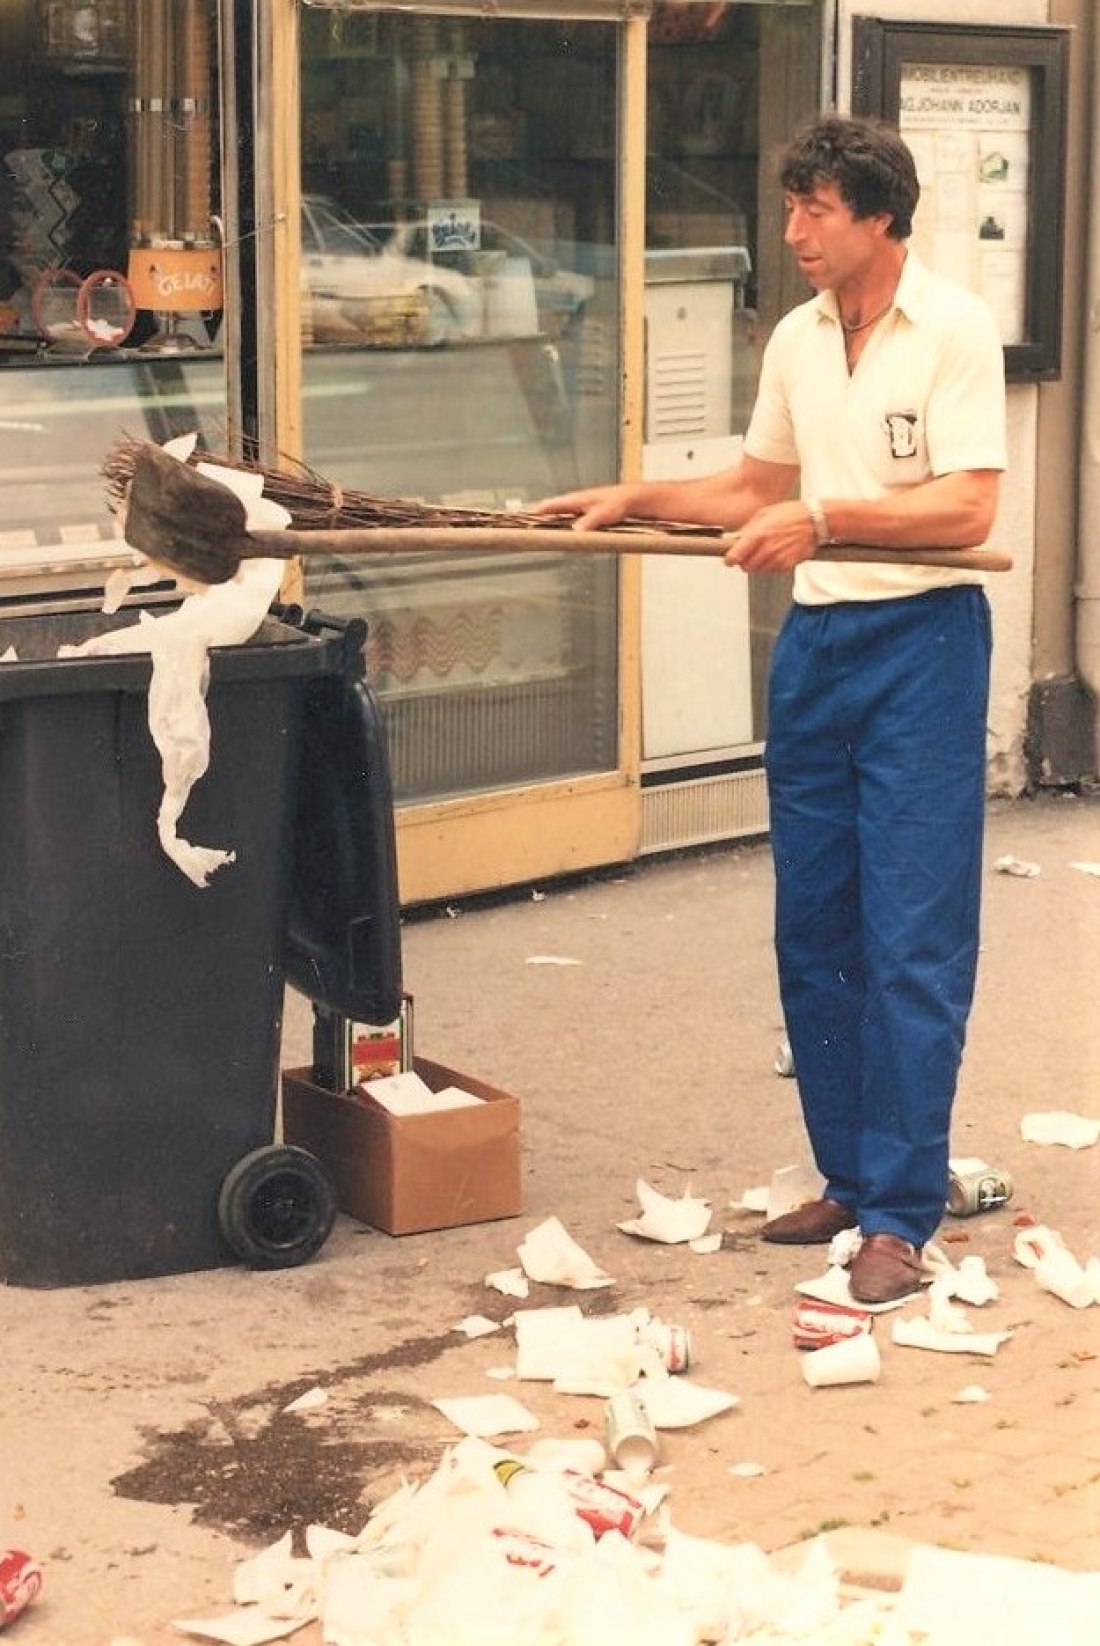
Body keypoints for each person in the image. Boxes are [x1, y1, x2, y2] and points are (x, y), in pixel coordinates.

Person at [535, 113, 1007, 1303]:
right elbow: (753, 487)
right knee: (815, 929)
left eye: (815, 210)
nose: (792, 229)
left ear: (878, 219)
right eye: (789, 205)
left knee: (910, 937)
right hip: (816, 648)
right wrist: (633, 494)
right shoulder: (797, 337)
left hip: (922, 645)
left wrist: (828, 518)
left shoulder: (951, 328)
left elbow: (967, 509)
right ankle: (848, 1177)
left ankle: (900, 1210)